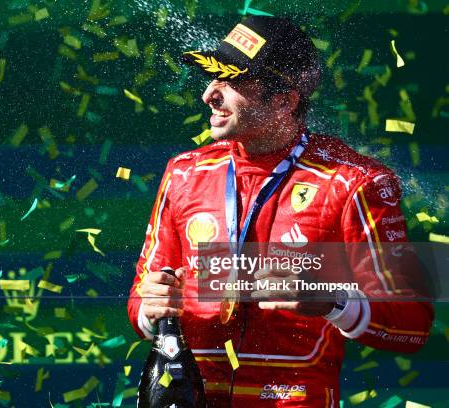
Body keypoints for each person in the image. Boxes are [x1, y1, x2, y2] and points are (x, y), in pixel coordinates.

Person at [127, 16, 433, 407]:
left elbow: (414, 326)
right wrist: (150, 310)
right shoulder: (184, 172)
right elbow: (140, 303)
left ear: (284, 100)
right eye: (211, 78)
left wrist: (333, 300)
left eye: (230, 81)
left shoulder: (355, 182)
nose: (209, 94)